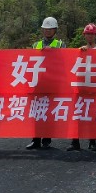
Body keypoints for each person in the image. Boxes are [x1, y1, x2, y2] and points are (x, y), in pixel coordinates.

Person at [26, 17, 65, 150]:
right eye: (46, 29)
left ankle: (47, 139)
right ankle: (35, 139)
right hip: (38, 82)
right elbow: (30, 61)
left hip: (52, 83)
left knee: (48, 111)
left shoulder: (60, 44)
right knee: (36, 112)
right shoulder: (36, 45)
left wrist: (53, 52)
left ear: (55, 30)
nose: (48, 31)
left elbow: (64, 61)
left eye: (50, 29)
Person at [67, 23, 96, 152]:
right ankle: (74, 141)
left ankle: (92, 142)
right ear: (84, 35)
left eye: (92, 34)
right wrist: (79, 53)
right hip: (81, 87)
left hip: (94, 87)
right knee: (76, 116)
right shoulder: (80, 50)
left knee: (92, 116)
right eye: (87, 34)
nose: (89, 36)